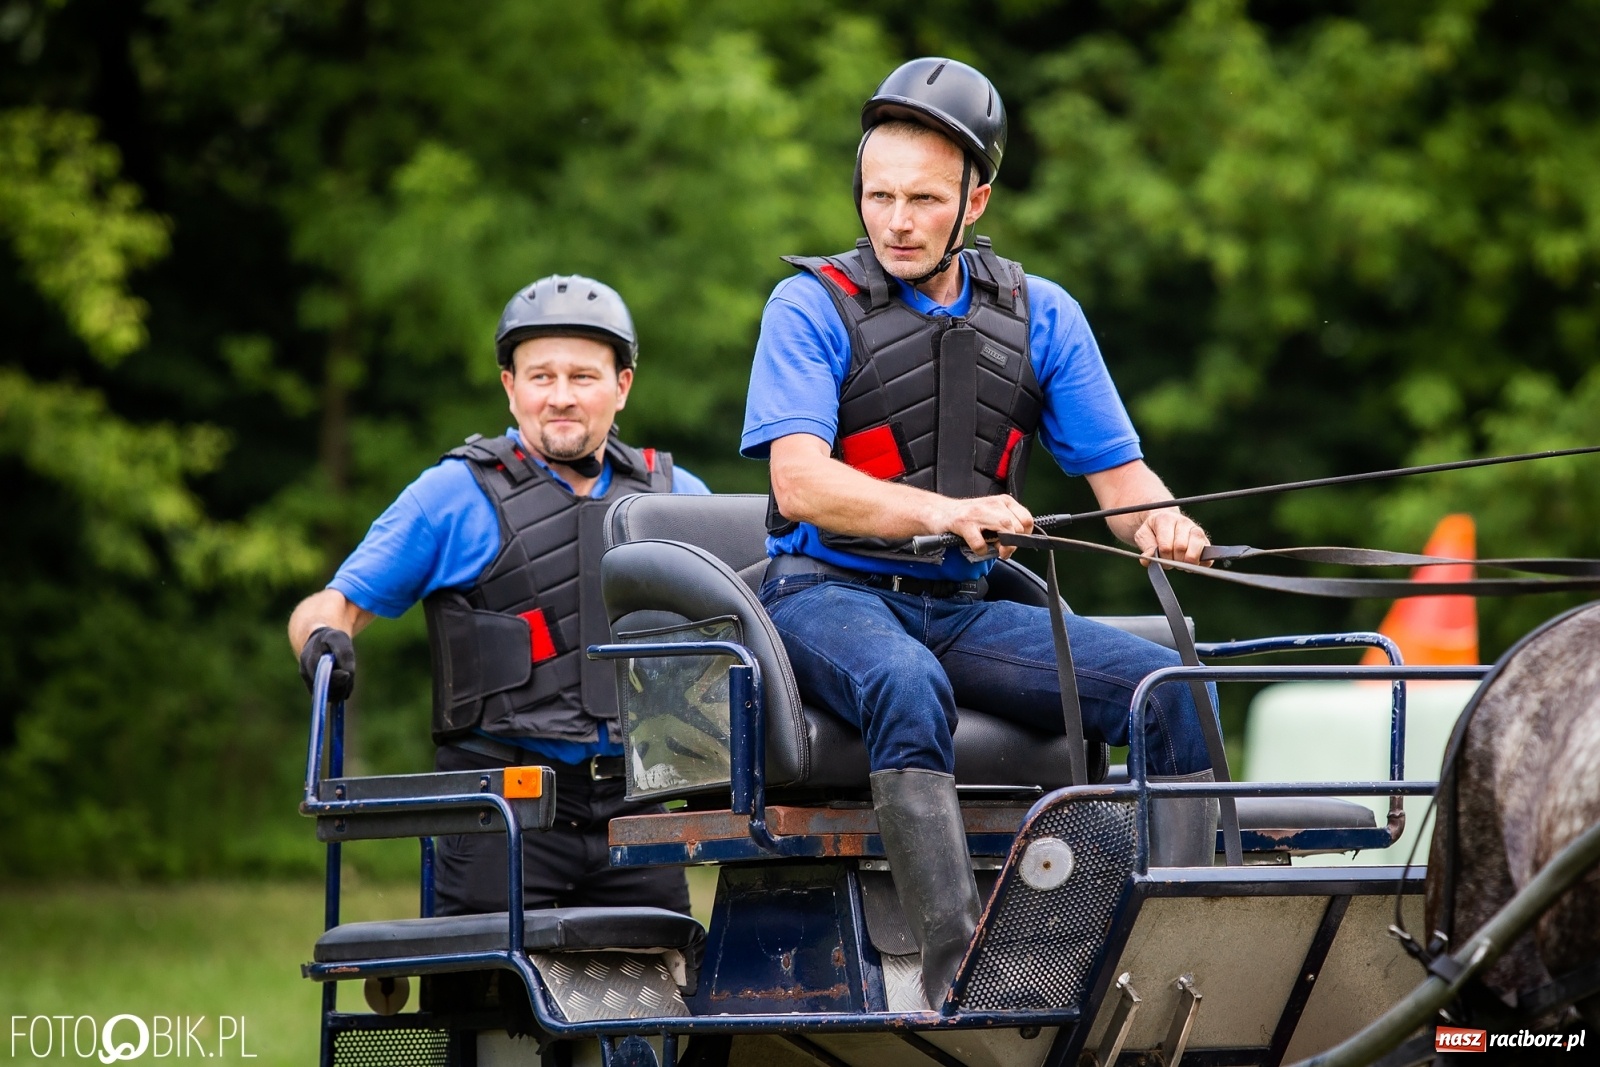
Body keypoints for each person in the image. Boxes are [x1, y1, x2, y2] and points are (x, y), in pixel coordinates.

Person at [741, 58, 1221, 1005]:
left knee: (1168, 687)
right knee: (904, 682)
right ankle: (967, 974)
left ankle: (1175, 935)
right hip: (825, 596)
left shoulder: (1044, 314)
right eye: (879, 196)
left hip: (965, 609)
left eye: (923, 198)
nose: (897, 220)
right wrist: (945, 512)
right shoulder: (808, 306)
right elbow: (799, 484)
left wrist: (1162, 521)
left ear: (976, 198)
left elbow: (1120, 482)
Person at [289, 274, 707, 917]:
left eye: (583, 377)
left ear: (622, 386)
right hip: (501, 811)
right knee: (487, 1008)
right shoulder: (452, 494)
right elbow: (330, 606)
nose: (560, 398)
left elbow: (758, 619)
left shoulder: (677, 497)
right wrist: (323, 642)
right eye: (540, 377)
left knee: (658, 1006)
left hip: (637, 814)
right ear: (510, 387)